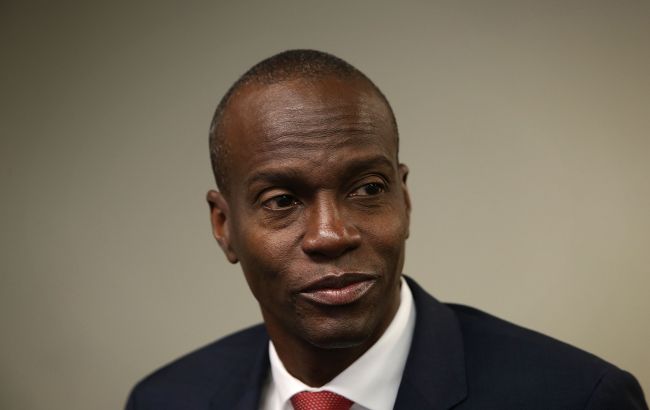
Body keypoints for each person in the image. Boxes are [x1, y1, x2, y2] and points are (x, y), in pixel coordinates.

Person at [126, 49, 647, 410]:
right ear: (224, 226)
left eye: (368, 189)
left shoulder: (576, 398)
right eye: (282, 201)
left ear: (405, 197)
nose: (331, 235)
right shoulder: (165, 400)